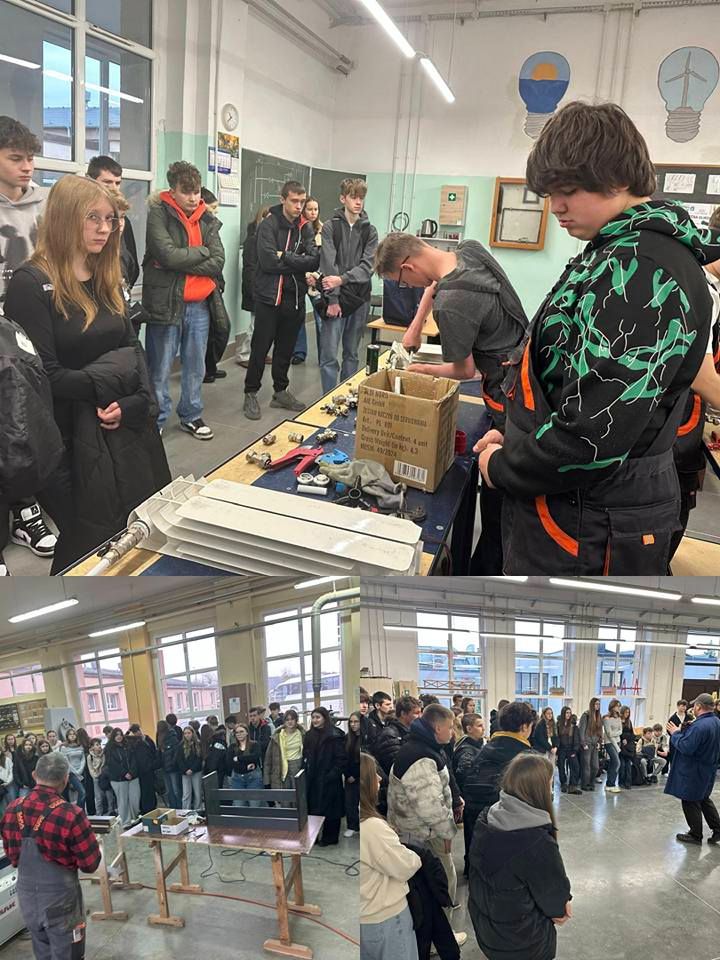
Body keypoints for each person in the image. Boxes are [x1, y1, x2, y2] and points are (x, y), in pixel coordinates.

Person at [475, 102, 718, 575]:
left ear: (617, 178)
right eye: (550, 193)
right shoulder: (613, 251)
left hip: (593, 517)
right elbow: (571, 375)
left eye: (567, 190)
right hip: (576, 505)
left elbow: (592, 436)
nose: (556, 206)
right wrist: (518, 436)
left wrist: (504, 467)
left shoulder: (643, 271)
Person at [4, 175, 170, 573]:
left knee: (131, 527)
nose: (104, 228)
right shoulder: (31, 284)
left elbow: (133, 351)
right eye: (92, 217)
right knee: (85, 539)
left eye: (110, 219)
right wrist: (111, 386)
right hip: (65, 442)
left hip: (122, 426)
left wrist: (135, 404)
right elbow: (43, 379)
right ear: (64, 218)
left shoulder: (105, 273)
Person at [374, 230, 528, 575]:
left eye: (402, 282)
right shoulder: (469, 250)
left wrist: (422, 369)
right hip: (524, 360)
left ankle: (487, 571)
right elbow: (433, 285)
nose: (408, 287)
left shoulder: (452, 303)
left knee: (497, 499)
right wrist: (415, 327)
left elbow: (465, 370)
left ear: (408, 266)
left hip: (509, 393)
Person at [0, 116, 59, 569]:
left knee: (27, 425)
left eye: (31, 158)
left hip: (33, 326)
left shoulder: (46, 204)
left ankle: (25, 509)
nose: (27, 167)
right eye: (15, 158)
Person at [143, 160, 228, 440]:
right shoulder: (159, 214)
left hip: (199, 304)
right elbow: (167, 255)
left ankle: (191, 415)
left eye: (196, 192)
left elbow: (218, 261)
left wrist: (183, 260)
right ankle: (156, 418)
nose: (193, 198)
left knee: (195, 366)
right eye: (186, 192)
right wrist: (201, 252)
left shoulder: (207, 219)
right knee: (160, 366)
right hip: (166, 302)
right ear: (173, 190)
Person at [468, 753, 572, 960]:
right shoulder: (536, 841)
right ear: (538, 789)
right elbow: (556, 903)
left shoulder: (487, 817)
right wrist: (562, 905)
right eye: (549, 783)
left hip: (487, 930)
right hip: (522, 941)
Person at [0, 752, 101, 960]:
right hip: (61, 901)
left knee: (42, 951)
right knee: (69, 954)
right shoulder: (71, 813)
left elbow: (12, 856)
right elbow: (90, 864)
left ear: (34, 775)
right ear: (66, 779)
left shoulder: (12, 809)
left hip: (27, 897)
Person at [386, 703, 467, 947]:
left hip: (421, 832)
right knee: (440, 884)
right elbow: (430, 807)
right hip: (423, 835)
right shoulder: (420, 758)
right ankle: (439, 940)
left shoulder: (424, 748)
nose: (453, 732)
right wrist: (447, 832)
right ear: (438, 727)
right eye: (450, 727)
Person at [243, 179, 320, 420]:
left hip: (294, 298)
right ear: (283, 199)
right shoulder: (268, 225)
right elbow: (267, 262)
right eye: (294, 201)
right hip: (269, 297)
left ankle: (280, 392)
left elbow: (314, 260)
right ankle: (250, 392)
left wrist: (284, 256)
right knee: (260, 348)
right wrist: (298, 263)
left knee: (285, 349)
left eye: (302, 201)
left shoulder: (305, 227)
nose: (299, 206)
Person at [317, 178, 378, 394]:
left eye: (361, 198)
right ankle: (327, 398)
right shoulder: (330, 227)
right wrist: (333, 299)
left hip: (360, 299)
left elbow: (368, 267)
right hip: (335, 298)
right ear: (343, 198)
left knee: (351, 354)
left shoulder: (370, 231)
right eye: (354, 197)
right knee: (329, 355)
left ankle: (345, 397)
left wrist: (342, 279)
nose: (358, 202)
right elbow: (328, 264)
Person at [360, 752, 421, 960]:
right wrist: (414, 855)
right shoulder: (372, 827)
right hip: (385, 918)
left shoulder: (363, 824)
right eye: (374, 774)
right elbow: (405, 866)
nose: (379, 778)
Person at [461, 700, 535, 871]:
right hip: (506, 823)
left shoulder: (485, 749)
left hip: (475, 815)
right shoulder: (526, 757)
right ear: (525, 726)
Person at [666, 693, 720, 844]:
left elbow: (686, 747)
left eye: (694, 705)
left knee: (689, 800)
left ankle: (695, 834)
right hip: (709, 768)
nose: (692, 708)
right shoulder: (716, 722)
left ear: (699, 706)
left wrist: (675, 734)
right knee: (703, 799)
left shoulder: (699, 726)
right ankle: (718, 829)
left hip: (694, 770)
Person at [199, 187, 231, 385]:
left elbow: (217, 259)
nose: (215, 213)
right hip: (204, 286)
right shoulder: (200, 228)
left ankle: (210, 367)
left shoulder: (212, 228)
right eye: (212, 208)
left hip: (214, 284)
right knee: (215, 330)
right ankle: (205, 369)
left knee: (219, 329)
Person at [303, 707, 347, 846]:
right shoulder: (309, 735)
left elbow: (341, 759)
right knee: (313, 809)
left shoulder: (335, 734)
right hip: (313, 778)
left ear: (325, 718)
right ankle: (314, 836)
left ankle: (330, 838)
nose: (315, 720)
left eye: (318, 717)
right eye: (313, 717)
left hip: (329, 778)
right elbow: (305, 754)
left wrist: (332, 774)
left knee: (331, 811)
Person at [235, 205, 270, 368]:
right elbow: (249, 269)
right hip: (256, 290)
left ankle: (260, 353)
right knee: (256, 325)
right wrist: (254, 290)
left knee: (265, 326)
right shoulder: (252, 241)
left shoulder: (269, 240)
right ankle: (243, 355)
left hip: (267, 289)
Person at [452, 712, 486, 877]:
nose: (483, 728)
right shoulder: (467, 749)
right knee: (473, 835)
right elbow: (464, 773)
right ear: (469, 728)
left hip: (473, 797)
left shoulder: (475, 745)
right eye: (479, 726)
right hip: (472, 798)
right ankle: (472, 869)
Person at [292, 195, 323, 364]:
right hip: (299, 276)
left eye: (316, 209)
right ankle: (299, 352)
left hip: (316, 279)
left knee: (320, 318)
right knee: (298, 316)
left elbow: (325, 258)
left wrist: (316, 276)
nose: (313, 212)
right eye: (309, 209)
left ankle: (324, 355)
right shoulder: (297, 229)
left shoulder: (323, 231)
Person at [372, 695, 422, 777]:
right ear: (403, 714)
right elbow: (396, 765)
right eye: (416, 713)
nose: (420, 716)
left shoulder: (412, 732)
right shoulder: (389, 735)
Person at [104, 728, 140, 827]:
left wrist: (131, 772)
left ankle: (134, 818)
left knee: (135, 799)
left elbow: (133, 760)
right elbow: (112, 764)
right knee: (123, 801)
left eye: (120, 734)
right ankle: (126, 822)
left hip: (133, 777)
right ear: (113, 737)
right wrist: (124, 773)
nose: (119, 737)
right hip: (118, 779)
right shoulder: (109, 748)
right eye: (116, 735)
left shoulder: (128, 745)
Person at [263, 709, 304, 792]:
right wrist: (267, 780)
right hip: (280, 767)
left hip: (297, 766)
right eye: (287, 720)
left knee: (298, 794)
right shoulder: (277, 737)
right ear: (284, 721)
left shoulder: (302, 734)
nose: (290, 722)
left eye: (292, 719)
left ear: (296, 720)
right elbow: (268, 759)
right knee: (284, 795)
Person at [229, 722, 264, 807]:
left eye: (241, 731)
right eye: (237, 732)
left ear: (247, 732)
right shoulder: (232, 747)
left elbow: (255, 757)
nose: (239, 734)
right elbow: (230, 762)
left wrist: (239, 758)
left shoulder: (254, 744)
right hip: (237, 779)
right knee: (239, 805)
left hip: (253, 778)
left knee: (254, 805)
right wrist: (246, 765)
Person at [127, 724, 157, 814]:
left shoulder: (147, 740)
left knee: (150, 790)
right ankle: (146, 810)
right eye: (135, 732)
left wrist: (152, 765)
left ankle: (151, 809)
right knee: (144, 792)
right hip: (140, 771)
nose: (138, 733)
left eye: (138, 730)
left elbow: (153, 752)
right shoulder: (133, 742)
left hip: (148, 770)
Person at [175, 726, 203, 810]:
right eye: (185, 733)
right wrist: (185, 770)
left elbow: (199, 758)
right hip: (185, 773)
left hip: (196, 771)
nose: (187, 735)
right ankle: (185, 811)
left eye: (189, 733)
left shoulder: (198, 744)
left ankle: (198, 810)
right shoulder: (181, 745)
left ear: (193, 733)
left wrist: (192, 769)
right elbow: (179, 759)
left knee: (198, 792)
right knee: (186, 793)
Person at [157, 717, 182, 809]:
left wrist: (172, 763)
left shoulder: (172, 737)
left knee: (175, 790)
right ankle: (173, 807)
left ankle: (179, 807)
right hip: (165, 767)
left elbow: (176, 753)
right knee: (170, 790)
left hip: (172, 767)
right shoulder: (160, 737)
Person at [555, 707, 582, 795]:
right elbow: (557, 737)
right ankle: (563, 783)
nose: (568, 714)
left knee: (576, 766)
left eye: (569, 713)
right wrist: (557, 749)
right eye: (567, 712)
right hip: (561, 748)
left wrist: (575, 750)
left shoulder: (574, 726)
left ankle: (572, 786)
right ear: (563, 713)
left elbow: (577, 739)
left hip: (571, 748)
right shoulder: (558, 725)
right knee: (561, 766)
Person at [579, 698, 603, 791]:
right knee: (586, 766)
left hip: (595, 744)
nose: (597, 706)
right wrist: (583, 743)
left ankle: (592, 783)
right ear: (592, 705)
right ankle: (585, 784)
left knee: (595, 766)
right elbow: (581, 730)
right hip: (587, 744)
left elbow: (600, 731)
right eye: (596, 704)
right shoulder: (586, 715)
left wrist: (600, 742)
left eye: (599, 704)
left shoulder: (598, 716)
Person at [87, 737, 116, 815]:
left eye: (99, 744)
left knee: (109, 796)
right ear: (92, 747)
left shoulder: (104, 754)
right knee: (99, 798)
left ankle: (111, 812)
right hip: (96, 778)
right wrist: (96, 776)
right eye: (97, 745)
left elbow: (106, 765)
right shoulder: (90, 757)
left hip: (105, 778)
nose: (99, 746)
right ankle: (99, 814)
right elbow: (90, 768)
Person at [60, 727, 86, 806]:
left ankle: (81, 810)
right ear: (67, 736)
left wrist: (80, 770)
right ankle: (78, 810)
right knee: (82, 792)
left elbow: (83, 759)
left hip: (81, 772)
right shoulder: (64, 747)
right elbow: (66, 762)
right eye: (70, 734)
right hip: (71, 773)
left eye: (74, 734)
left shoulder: (80, 746)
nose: (72, 736)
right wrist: (76, 772)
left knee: (83, 793)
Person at [345, 711, 361, 837]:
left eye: (356, 721)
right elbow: (344, 758)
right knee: (350, 802)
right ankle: (352, 826)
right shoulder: (347, 738)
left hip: (362, 775)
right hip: (349, 775)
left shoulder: (366, 737)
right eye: (351, 722)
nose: (353, 724)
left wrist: (356, 775)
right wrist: (348, 774)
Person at [602, 699, 622, 794]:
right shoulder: (606, 718)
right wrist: (616, 734)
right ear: (612, 707)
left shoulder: (619, 718)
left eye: (619, 706)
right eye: (617, 706)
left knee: (613, 763)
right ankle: (611, 784)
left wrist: (616, 733)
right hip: (609, 743)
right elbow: (609, 734)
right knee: (617, 763)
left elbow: (621, 731)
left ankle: (609, 784)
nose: (618, 708)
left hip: (618, 741)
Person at [618, 706, 637, 790]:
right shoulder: (618, 721)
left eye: (628, 712)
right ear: (622, 712)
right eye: (626, 712)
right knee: (622, 766)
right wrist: (623, 739)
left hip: (629, 746)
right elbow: (618, 733)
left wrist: (627, 739)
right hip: (621, 746)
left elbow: (633, 735)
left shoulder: (629, 722)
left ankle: (628, 783)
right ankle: (621, 782)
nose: (627, 714)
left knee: (628, 766)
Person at [0, 742, 12, 817]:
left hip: (8, 784)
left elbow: (11, 771)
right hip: (0, 787)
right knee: (3, 805)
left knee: (10, 802)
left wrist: (8, 781)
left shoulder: (7, 760)